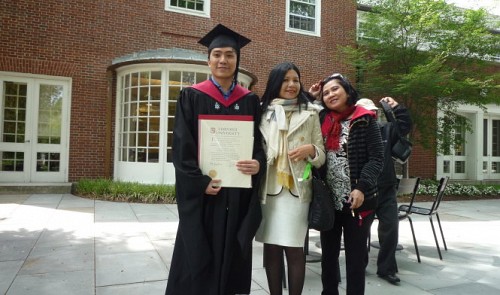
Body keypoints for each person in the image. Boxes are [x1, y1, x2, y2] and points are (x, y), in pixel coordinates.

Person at [165, 24, 266, 295]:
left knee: (234, 253)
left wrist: (257, 162)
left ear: (237, 60)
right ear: (208, 59)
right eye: (217, 54)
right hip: (206, 194)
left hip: (236, 193)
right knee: (197, 252)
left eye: (230, 55)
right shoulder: (192, 96)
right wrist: (199, 183)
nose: (223, 60)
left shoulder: (249, 101)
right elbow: (182, 147)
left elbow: (259, 145)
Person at [309, 74, 384, 295]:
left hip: (357, 201)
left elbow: (377, 158)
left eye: (335, 89)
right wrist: (311, 96)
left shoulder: (364, 119)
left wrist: (361, 187)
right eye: (325, 93)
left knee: (355, 258)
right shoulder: (322, 118)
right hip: (329, 200)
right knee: (328, 256)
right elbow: (301, 108)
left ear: (347, 91)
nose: (330, 95)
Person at [255, 62, 326, 295]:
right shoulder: (261, 112)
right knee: (271, 249)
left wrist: (311, 151)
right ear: (276, 82)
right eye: (286, 80)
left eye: (295, 80)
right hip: (268, 190)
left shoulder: (311, 113)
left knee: (295, 250)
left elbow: (322, 155)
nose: (292, 84)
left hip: (297, 192)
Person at [356, 97, 412, 285]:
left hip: (386, 190)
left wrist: (396, 107)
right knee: (360, 232)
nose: (370, 115)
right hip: (365, 190)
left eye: (373, 112)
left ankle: (386, 268)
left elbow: (405, 126)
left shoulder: (386, 129)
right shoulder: (353, 133)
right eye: (366, 112)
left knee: (390, 229)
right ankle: (358, 265)